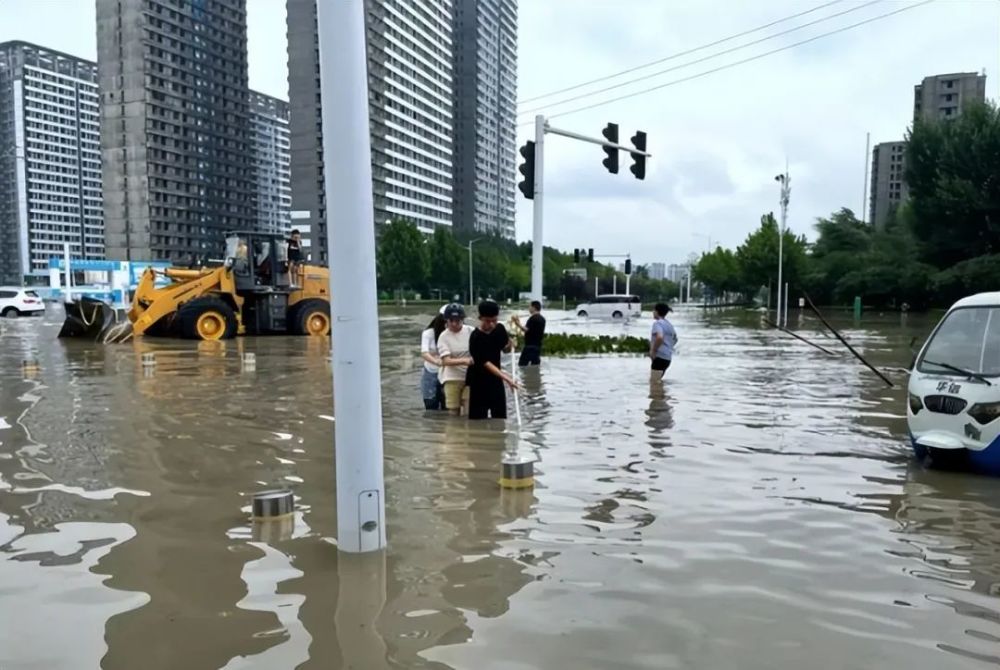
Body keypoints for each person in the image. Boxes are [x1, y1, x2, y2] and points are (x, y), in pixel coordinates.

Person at [467, 300, 518, 420]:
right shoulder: (475, 337)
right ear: (480, 318)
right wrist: (507, 378)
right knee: (477, 420)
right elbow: (485, 362)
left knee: (500, 418)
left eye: (494, 320)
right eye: (487, 321)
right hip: (479, 382)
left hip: (496, 380)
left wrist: (510, 345)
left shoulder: (499, 329)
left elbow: (504, 348)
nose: (491, 325)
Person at [437, 303, 474, 415]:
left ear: (462, 320)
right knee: (453, 412)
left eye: (457, 320)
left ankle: (468, 432)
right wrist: (465, 361)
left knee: (469, 411)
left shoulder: (471, 331)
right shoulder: (443, 337)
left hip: (470, 377)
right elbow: (446, 361)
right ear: (446, 321)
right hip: (452, 378)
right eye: (451, 320)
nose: (454, 324)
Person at [419, 309, 448, 410]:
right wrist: (436, 361)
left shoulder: (456, 332)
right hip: (431, 371)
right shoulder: (428, 333)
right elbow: (424, 352)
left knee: (448, 405)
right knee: (430, 404)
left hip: (448, 373)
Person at [511, 300, 546, 366]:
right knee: (535, 365)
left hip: (529, 346)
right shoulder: (542, 319)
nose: (529, 308)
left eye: (530, 306)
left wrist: (517, 323)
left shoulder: (532, 318)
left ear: (534, 307)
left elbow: (526, 329)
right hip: (538, 346)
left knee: (522, 365)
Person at [650, 302, 678, 381]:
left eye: (654, 310)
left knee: (654, 383)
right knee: (658, 382)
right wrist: (668, 347)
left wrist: (653, 350)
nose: (653, 312)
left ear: (657, 311)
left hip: (659, 357)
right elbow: (675, 339)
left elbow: (659, 337)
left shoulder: (657, 323)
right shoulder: (669, 324)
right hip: (667, 358)